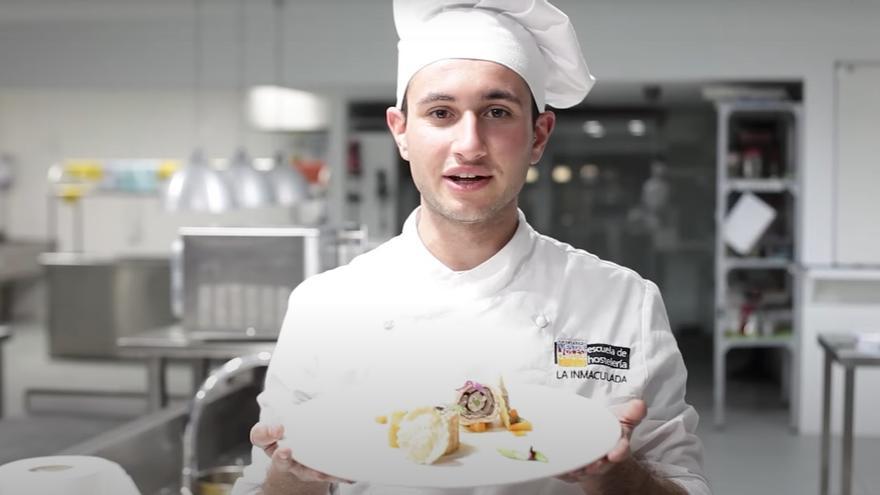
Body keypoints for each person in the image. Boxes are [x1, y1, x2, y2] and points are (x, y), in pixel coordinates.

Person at [233, 1, 710, 494]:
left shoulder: (621, 302)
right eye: (441, 113)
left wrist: (617, 475)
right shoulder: (325, 306)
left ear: (539, 135)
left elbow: (685, 485)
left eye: (497, 112)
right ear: (401, 132)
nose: (469, 144)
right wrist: (293, 476)